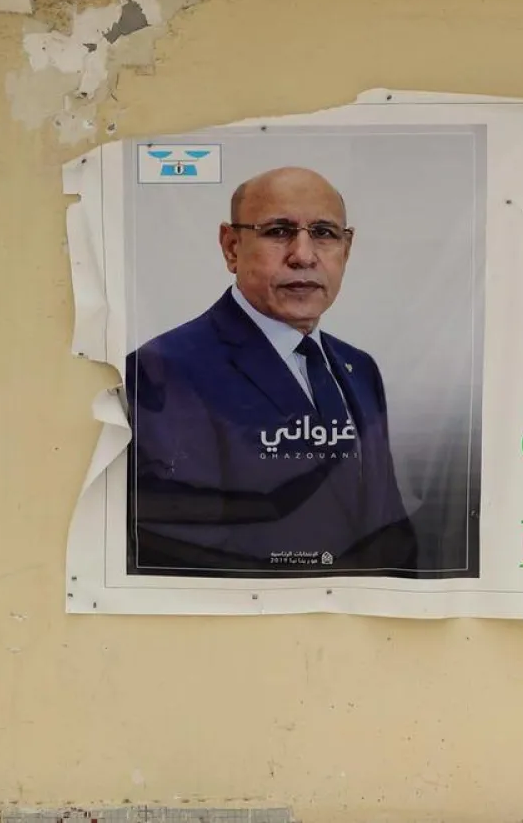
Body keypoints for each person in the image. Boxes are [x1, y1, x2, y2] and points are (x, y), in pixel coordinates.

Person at [124, 166, 416, 575]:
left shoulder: (360, 369)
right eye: (279, 231)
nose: (303, 255)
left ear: (346, 249)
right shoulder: (167, 368)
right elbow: (185, 548)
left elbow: (388, 528)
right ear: (231, 246)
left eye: (324, 233)